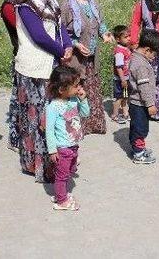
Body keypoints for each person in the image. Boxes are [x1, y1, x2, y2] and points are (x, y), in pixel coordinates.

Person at [9, 0, 72, 183]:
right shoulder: (25, 0)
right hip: (34, 67)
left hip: (51, 63)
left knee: (51, 116)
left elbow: (59, 25)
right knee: (36, 118)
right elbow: (38, 35)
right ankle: (38, 165)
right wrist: (59, 50)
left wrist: (67, 46)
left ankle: (53, 162)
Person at [61, 0, 113, 135]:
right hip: (76, 59)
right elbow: (61, 32)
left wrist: (104, 33)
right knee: (76, 88)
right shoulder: (67, 5)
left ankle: (93, 125)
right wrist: (75, 44)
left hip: (92, 58)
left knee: (92, 89)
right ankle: (77, 128)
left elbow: (100, 22)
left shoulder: (92, 2)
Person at [45, 66, 90, 212]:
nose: (79, 88)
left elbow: (85, 114)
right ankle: (61, 200)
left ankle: (60, 193)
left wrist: (83, 100)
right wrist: (52, 150)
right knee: (62, 175)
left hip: (73, 144)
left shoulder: (73, 100)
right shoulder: (53, 107)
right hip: (62, 147)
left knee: (70, 170)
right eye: (75, 85)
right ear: (62, 89)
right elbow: (49, 130)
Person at [128, 29, 159, 164]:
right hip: (140, 103)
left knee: (136, 126)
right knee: (141, 129)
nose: (154, 57)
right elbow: (143, 87)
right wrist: (150, 104)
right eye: (153, 54)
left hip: (136, 103)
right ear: (147, 50)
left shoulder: (136, 57)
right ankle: (138, 154)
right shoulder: (141, 65)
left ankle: (137, 147)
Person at [0, 0, 24, 152]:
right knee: (20, 98)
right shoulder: (9, 6)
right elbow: (23, 29)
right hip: (22, 55)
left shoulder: (26, 0)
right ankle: (15, 138)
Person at [111, 25, 132, 124]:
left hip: (126, 77)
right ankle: (115, 115)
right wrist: (123, 79)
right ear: (118, 39)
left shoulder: (126, 48)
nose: (129, 38)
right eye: (126, 37)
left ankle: (125, 113)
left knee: (125, 96)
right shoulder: (119, 52)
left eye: (129, 36)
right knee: (119, 97)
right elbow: (119, 67)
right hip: (120, 79)